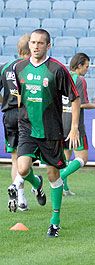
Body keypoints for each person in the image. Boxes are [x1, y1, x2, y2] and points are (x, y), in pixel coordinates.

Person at [8, 29, 81, 237]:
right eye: (33, 42)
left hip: (51, 130)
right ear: (28, 44)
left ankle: (55, 220)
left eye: (40, 43)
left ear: (48, 45)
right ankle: (36, 183)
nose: (36, 46)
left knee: (53, 175)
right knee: (22, 169)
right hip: (27, 127)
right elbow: (19, 97)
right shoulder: (18, 67)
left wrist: (74, 127)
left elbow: (75, 98)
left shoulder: (57, 69)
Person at [60, 53, 95, 196]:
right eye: (86, 66)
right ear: (80, 65)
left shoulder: (63, 77)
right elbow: (81, 104)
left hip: (61, 121)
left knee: (65, 157)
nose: (87, 70)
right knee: (82, 158)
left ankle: (64, 188)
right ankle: (60, 177)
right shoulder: (80, 80)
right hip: (74, 123)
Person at [1, 34, 31, 211]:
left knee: (15, 159)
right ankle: (20, 192)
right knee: (28, 156)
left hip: (9, 115)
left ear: (19, 50)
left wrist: (5, 100)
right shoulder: (30, 68)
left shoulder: (5, 67)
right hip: (26, 115)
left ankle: (19, 197)